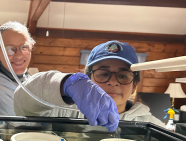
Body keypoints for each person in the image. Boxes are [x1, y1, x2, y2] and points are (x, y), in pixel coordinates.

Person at [14, 40, 163, 127]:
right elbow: (21, 102)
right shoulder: (62, 110)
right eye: (103, 74)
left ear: (135, 85)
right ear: (87, 79)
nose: (112, 81)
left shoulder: (152, 125)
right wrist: (66, 83)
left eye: (123, 76)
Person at [0, 21, 34, 116]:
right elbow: (18, 127)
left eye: (24, 47)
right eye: (9, 49)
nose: (19, 55)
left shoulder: (26, 77)